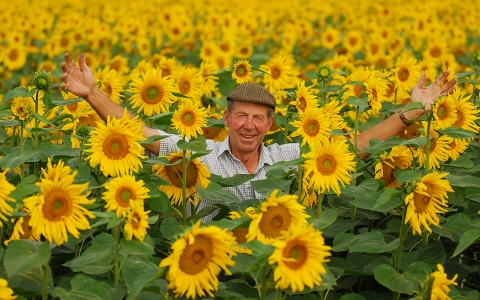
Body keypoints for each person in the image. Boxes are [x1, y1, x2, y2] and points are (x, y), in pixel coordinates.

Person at [59, 53, 457, 215]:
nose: (250, 125)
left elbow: (356, 147)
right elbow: (138, 131)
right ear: (227, 119)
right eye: (241, 116)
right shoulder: (198, 155)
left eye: (259, 119)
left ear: (270, 125)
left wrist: (414, 111)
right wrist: (91, 93)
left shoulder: (288, 159)